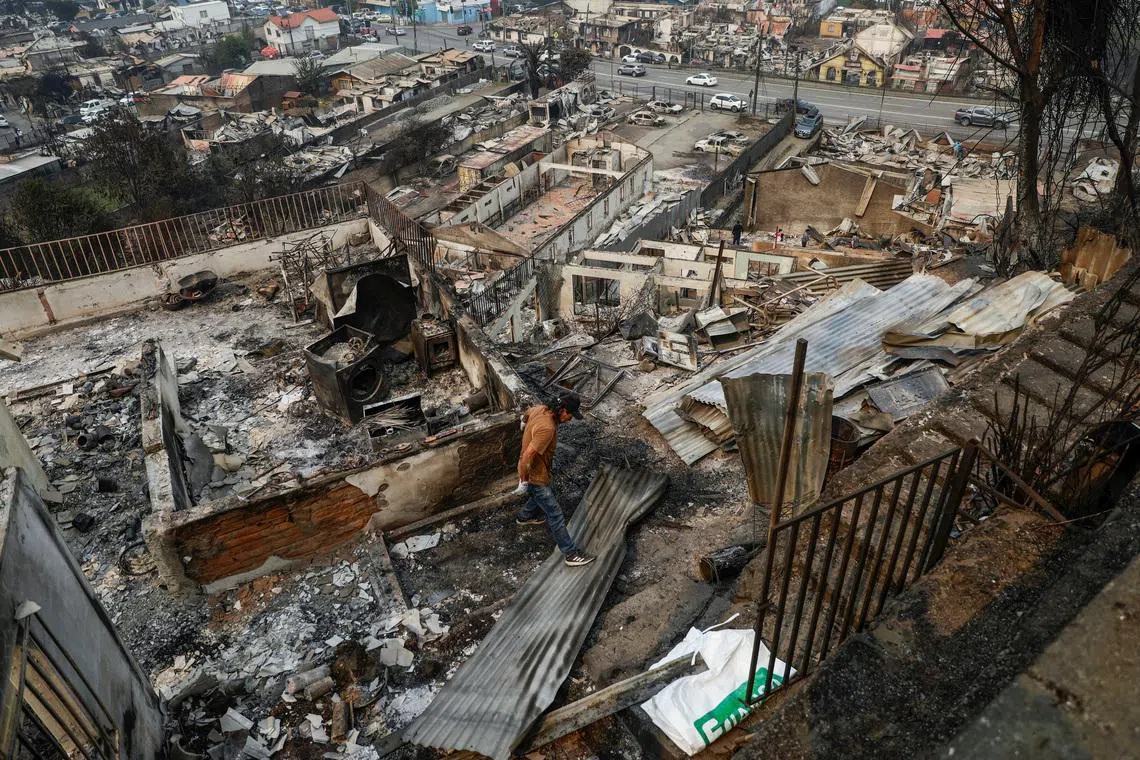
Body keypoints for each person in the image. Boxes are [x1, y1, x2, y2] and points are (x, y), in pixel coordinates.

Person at [514, 394, 596, 567]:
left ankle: (523, 517)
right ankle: (571, 554)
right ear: (562, 410)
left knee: (538, 496)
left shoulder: (540, 409)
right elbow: (528, 455)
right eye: (570, 415)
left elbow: (526, 413)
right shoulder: (548, 428)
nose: (570, 419)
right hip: (534, 475)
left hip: (538, 471)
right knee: (555, 514)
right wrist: (524, 480)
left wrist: (523, 422)